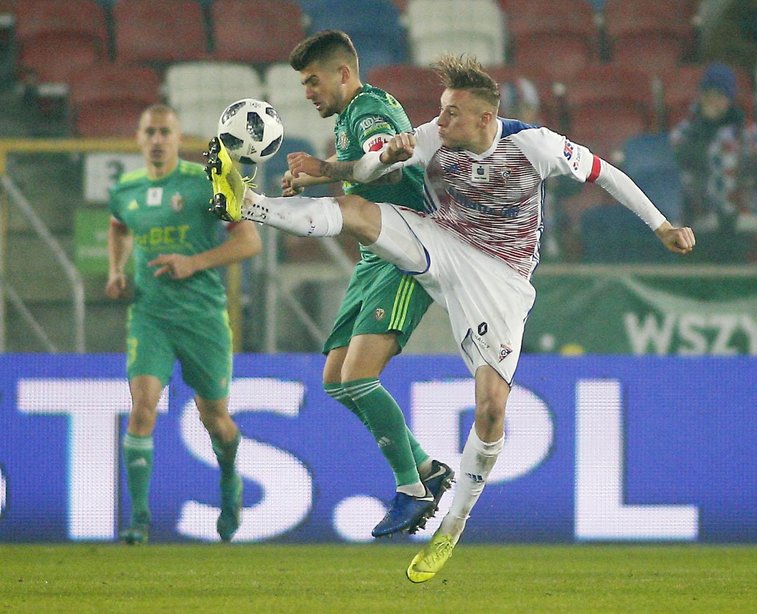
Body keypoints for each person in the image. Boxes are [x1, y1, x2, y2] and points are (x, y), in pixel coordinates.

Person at [206, 54, 694, 581]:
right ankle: (245, 204)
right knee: (359, 215)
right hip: (444, 241)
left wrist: (662, 224)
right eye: (439, 112)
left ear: (486, 119)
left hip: (502, 281)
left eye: (452, 114)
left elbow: (607, 174)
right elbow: (369, 171)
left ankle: (450, 529)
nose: (439, 122)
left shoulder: (536, 145)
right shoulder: (432, 138)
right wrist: (349, 165)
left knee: (490, 410)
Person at [283, 30, 453, 538]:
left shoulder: (369, 110)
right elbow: (361, 171)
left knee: (359, 376)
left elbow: (383, 160)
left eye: (313, 81)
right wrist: (318, 177)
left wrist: (325, 170)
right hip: (371, 260)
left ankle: (411, 490)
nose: (308, 92)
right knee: (336, 380)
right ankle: (425, 466)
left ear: (343, 73)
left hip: (405, 254)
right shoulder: (347, 118)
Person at [106, 104, 262, 544]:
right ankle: (138, 519)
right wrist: (116, 271)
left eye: (165, 132)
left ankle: (230, 482)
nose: (157, 140)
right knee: (142, 406)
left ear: (178, 139)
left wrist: (193, 262)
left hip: (202, 317)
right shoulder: (126, 189)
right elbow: (118, 228)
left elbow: (249, 241)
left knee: (214, 418)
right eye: (149, 131)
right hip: (150, 315)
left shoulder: (203, 183)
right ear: (138, 138)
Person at [669, 62, 757, 263]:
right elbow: (686, 159)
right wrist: (706, 127)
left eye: (720, 96)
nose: (714, 102)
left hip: (742, 223)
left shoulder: (747, 132)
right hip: (699, 223)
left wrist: (749, 178)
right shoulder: (686, 131)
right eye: (709, 96)